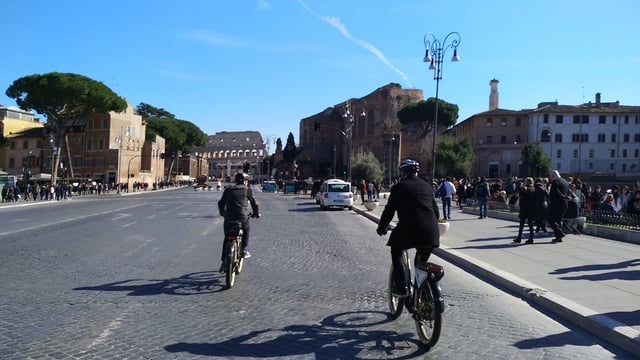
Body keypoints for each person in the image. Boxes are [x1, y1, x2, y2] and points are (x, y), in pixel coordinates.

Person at [376, 159, 440, 297]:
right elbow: (436, 212)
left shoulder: (399, 187)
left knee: (396, 251)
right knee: (421, 262)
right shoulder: (427, 187)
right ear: (417, 172)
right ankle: (421, 292)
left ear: (403, 172)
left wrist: (381, 228)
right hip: (431, 232)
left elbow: (389, 211)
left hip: (408, 230)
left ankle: (402, 288)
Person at [218, 172, 260, 271]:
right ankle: (245, 249)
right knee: (246, 229)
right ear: (245, 182)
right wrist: (256, 214)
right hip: (242, 217)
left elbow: (221, 203)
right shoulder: (247, 190)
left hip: (228, 218)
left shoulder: (228, 189)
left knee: (227, 238)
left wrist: (222, 213)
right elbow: (255, 204)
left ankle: (224, 261)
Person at [547, 170, 569, 243]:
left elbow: (556, 192)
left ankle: (559, 232)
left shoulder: (555, 182)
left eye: (550, 176)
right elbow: (569, 192)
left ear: (553, 176)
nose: (550, 178)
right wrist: (567, 197)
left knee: (550, 218)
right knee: (558, 220)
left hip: (556, 204)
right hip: (564, 204)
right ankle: (558, 238)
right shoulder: (565, 181)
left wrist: (563, 197)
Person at [513, 177, 536, 244]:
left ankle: (519, 238)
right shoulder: (534, 189)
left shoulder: (525, 189)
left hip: (524, 208)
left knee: (522, 224)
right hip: (532, 208)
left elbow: (522, 198)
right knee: (530, 224)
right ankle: (531, 238)